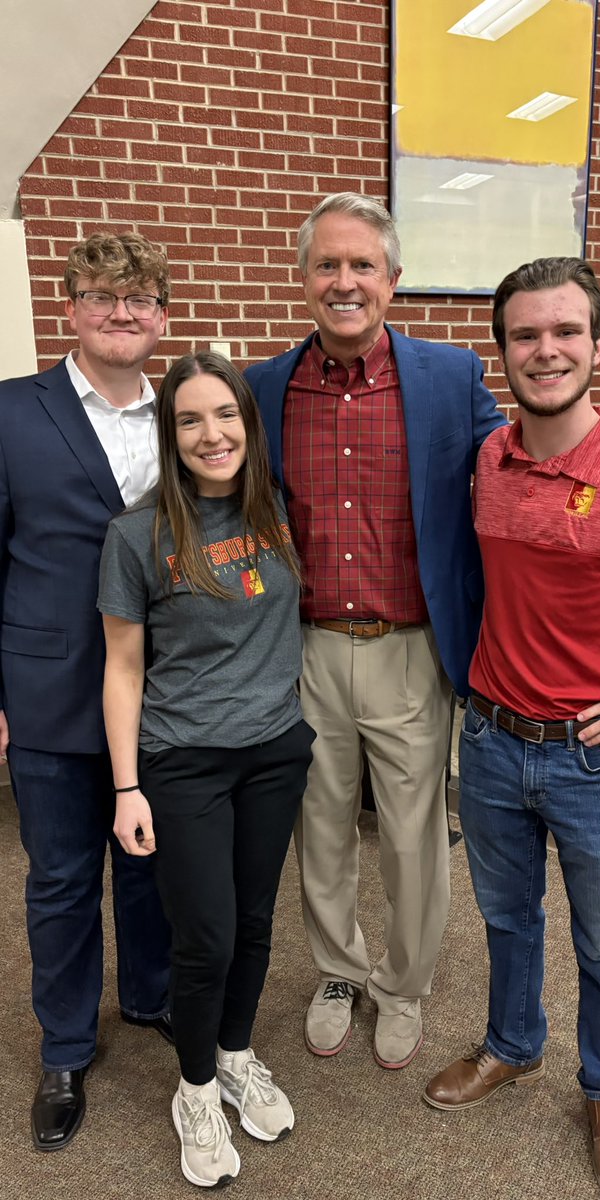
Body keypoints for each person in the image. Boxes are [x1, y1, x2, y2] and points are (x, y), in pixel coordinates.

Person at [423, 257, 600, 1200]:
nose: (546, 350)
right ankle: (511, 1044)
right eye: (525, 334)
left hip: (595, 760)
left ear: (599, 345)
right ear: (504, 354)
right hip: (489, 743)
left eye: (565, 331)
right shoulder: (490, 458)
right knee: (505, 917)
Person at [245, 192, 505, 1069]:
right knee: (317, 825)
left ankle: (403, 984)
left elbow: (512, 479)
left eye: (362, 265)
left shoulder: (449, 376)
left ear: (393, 281)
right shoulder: (262, 388)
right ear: (303, 279)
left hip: (409, 651)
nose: (344, 281)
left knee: (412, 835)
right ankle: (338, 970)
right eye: (327, 264)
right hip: (305, 650)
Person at [98, 352, 315, 1188]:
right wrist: (126, 788)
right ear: (170, 432)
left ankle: (233, 1054)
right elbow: (121, 669)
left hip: (273, 752)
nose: (210, 433)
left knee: (255, 923)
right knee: (206, 938)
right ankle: (193, 1090)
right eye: (189, 420)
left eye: (224, 415)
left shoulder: (278, 512)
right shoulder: (137, 534)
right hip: (182, 762)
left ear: (248, 425)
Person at [0, 232, 173, 1151]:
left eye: (140, 299)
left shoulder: (185, 414)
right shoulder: (10, 412)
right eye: (103, 296)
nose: (122, 313)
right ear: (69, 308)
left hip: (166, 696)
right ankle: (66, 1045)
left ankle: (150, 996)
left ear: (162, 317)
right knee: (63, 880)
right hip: (51, 693)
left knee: (150, 866)